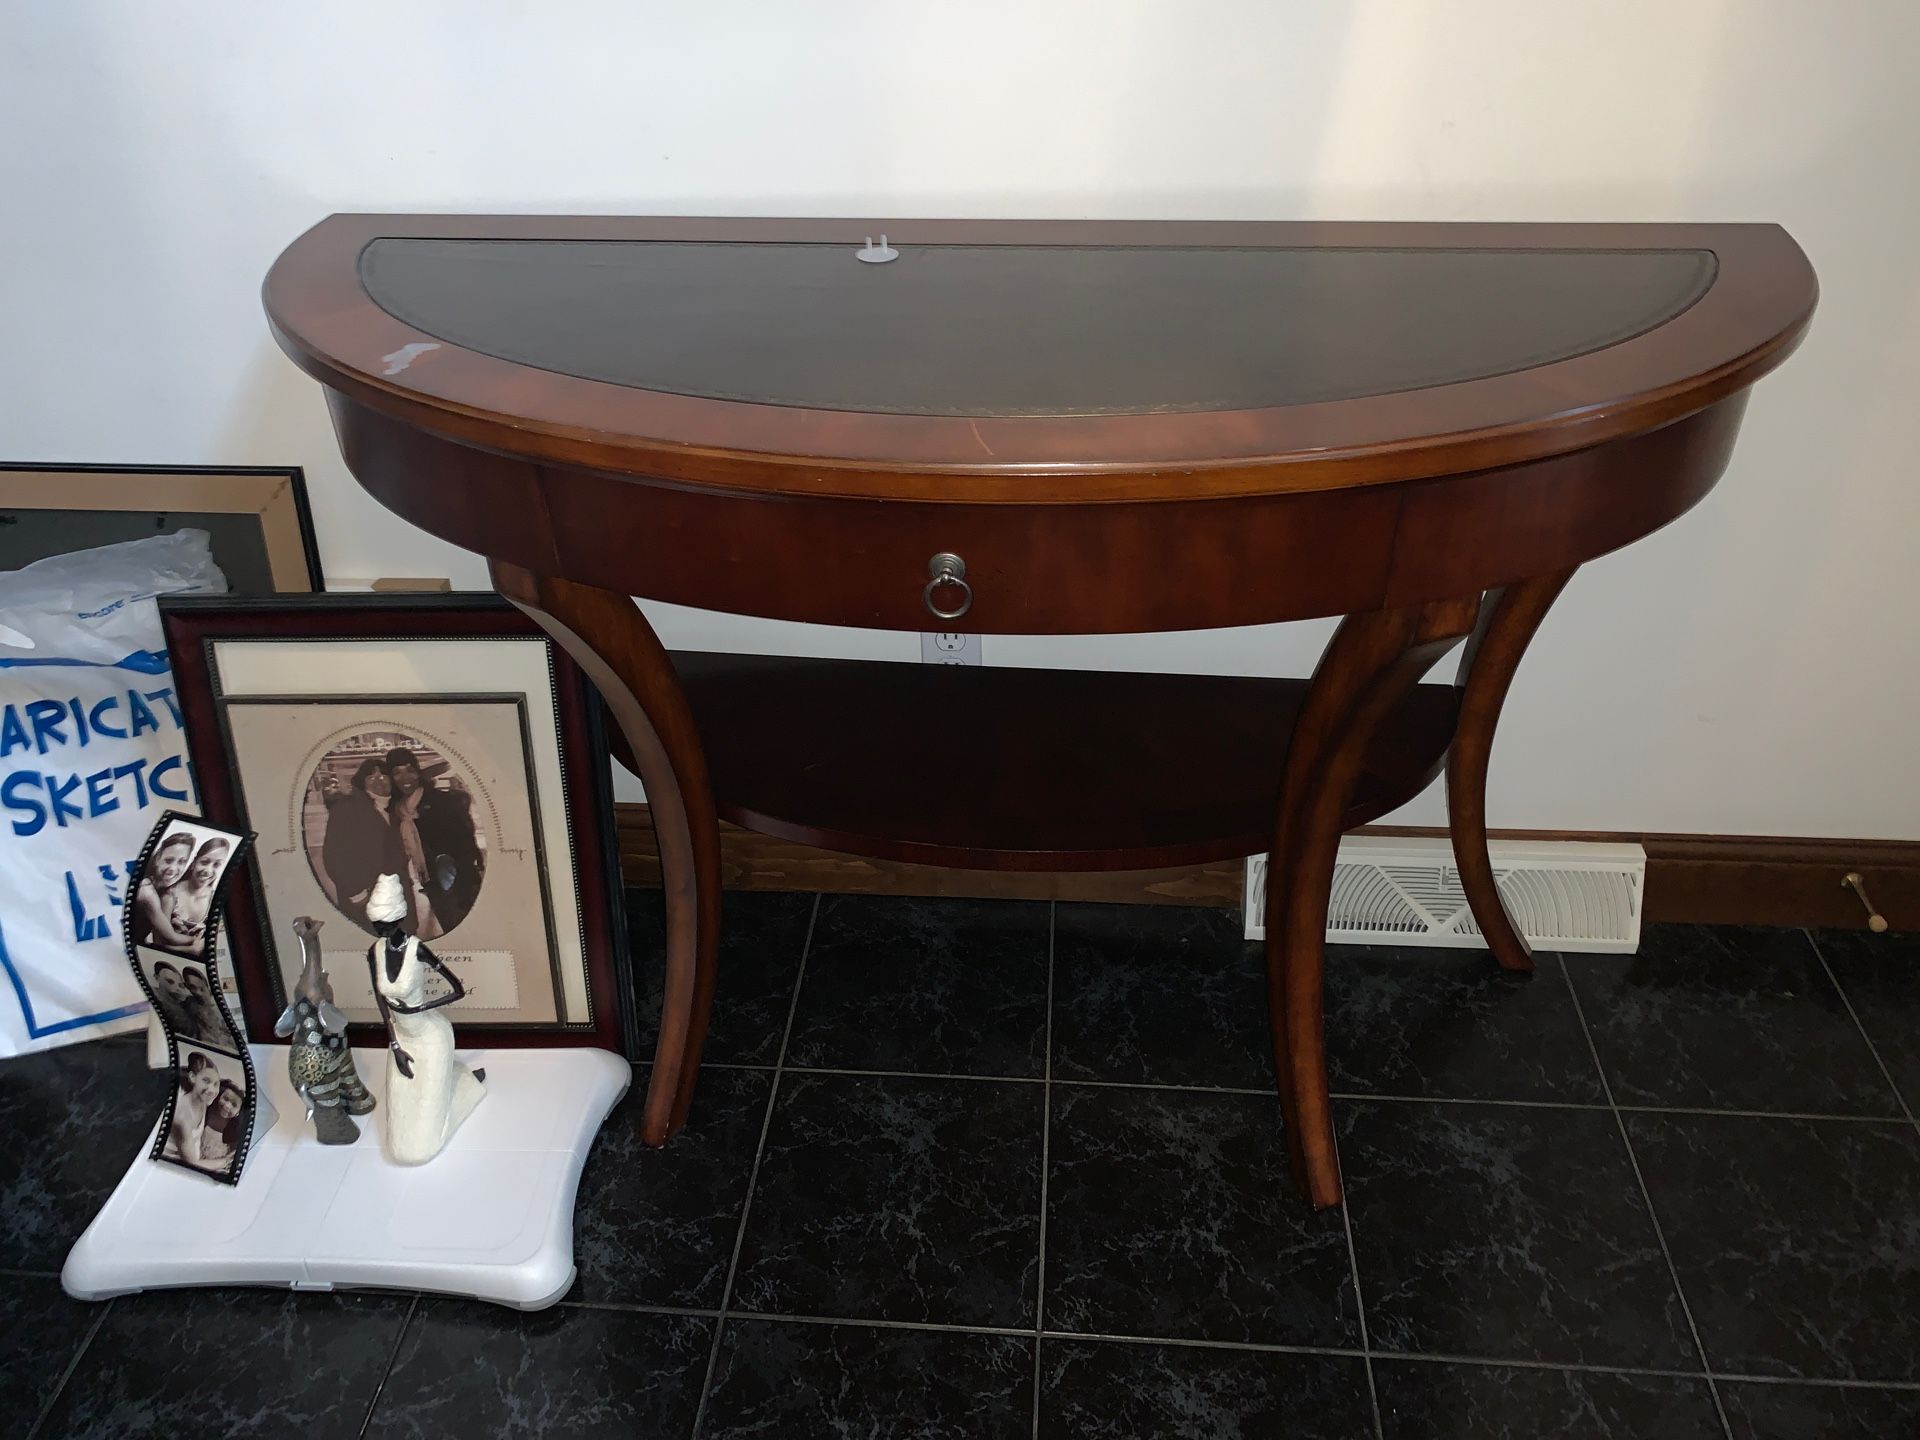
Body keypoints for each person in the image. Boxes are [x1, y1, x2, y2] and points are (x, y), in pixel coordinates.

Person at [385, 747, 482, 937]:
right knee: (450, 927)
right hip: (430, 881)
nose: (405, 778)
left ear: (418, 772)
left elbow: (465, 843)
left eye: (410, 770)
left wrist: (455, 872)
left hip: (455, 881)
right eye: (397, 772)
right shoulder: (398, 811)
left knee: (466, 932)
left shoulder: (440, 801)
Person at [319, 757, 411, 932]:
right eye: (372, 777)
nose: (379, 781)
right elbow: (333, 855)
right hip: (364, 896)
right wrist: (355, 892)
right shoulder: (346, 808)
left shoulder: (394, 811)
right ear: (362, 783)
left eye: (384, 776)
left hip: (394, 893)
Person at [130, 832, 196, 951]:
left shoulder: (165, 891)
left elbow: (158, 938)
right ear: (157, 859)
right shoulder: (147, 891)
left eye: (181, 862)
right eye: (169, 860)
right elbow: (171, 937)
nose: (173, 869)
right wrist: (198, 939)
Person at [164, 837, 228, 956]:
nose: (208, 870)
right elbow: (156, 945)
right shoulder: (170, 895)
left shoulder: (216, 901)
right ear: (194, 862)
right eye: (204, 862)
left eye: (217, 865)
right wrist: (192, 950)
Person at [162, 1051, 220, 1164]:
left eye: (216, 1084)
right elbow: (192, 1164)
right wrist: (223, 1162)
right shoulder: (182, 1117)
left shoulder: (204, 1101)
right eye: (206, 1081)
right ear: (192, 1077)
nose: (212, 1090)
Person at [195, 1080, 246, 1170]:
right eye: (225, 1099)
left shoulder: (236, 1130)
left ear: (238, 1112)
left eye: (234, 1105)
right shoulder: (205, 1111)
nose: (227, 1106)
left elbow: (231, 1157)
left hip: (215, 1166)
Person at [148, 960, 197, 1035]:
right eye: (170, 981)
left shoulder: (187, 1003)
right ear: (157, 977)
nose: (175, 988)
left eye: (180, 985)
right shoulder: (150, 995)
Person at [180, 966, 226, 1046]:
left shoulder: (220, 1005)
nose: (198, 993)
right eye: (192, 987)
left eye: (201, 989)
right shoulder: (189, 1005)